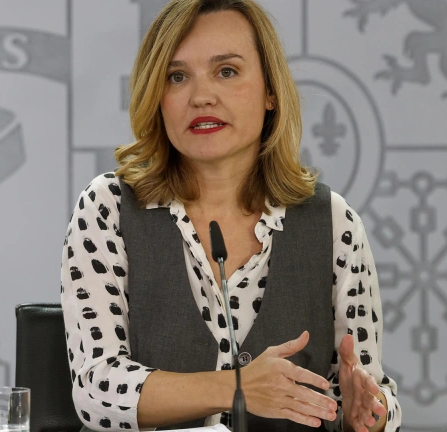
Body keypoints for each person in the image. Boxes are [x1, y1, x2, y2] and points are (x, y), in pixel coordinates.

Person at [60, 0, 401, 431]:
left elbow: (372, 392)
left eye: (226, 71)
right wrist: (238, 386)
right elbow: (97, 391)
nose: (201, 96)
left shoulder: (334, 222)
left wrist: (368, 414)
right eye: (177, 76)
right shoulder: (108, 207)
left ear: (271, 91)